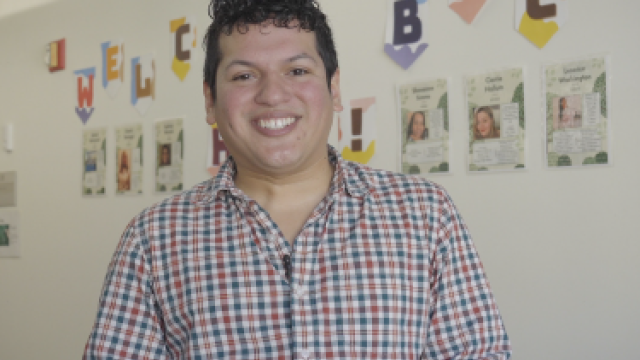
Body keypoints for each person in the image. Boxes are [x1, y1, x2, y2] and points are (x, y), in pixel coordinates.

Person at [83, 1, 512, 359]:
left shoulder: (425, 213)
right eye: (244, 75)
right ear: (210, 101)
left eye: (298, 71)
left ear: (335, 87)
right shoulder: (153, 238)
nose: (272, 94)